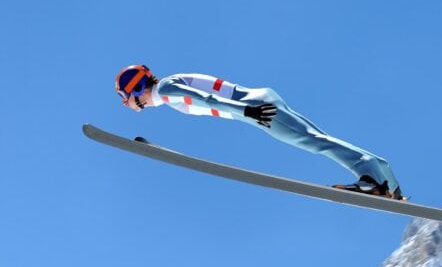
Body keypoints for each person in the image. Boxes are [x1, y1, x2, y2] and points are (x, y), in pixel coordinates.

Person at [115, 64, 405, 200]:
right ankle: (385, 178)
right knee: (320, 140)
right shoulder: (168, 87)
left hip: (256, 107)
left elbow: (208, 100)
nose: (125, 103)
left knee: (316, 143)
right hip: (260, 100)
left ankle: (372, 179)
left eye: (124, 96)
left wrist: (246, 111)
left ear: (136, 88)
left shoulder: (165, 89)